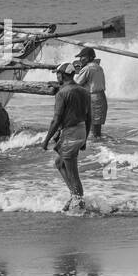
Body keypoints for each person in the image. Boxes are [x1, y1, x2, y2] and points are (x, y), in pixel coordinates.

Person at [43, 63, 92, 212]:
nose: (56, 76)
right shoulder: (84, 91)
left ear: (61, 75)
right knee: (60, 163)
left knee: (73, 173)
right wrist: (85, 139)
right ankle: (74, 196)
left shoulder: (62, 93)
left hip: (70, 134)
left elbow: (56, 119)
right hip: (81, 130)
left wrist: (46, 140)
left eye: (57, 74)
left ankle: (79, 206)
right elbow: (89, 117)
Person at [74, 47, 107, 139]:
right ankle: (100, 147)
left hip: (92, 98)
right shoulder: (99, 67)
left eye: (82, 57)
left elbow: (77, 84)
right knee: (96, 129)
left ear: (89, 57)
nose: (80, 59)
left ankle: (96, 148)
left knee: (91, 128)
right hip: (101, 97)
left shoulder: (87, 69)